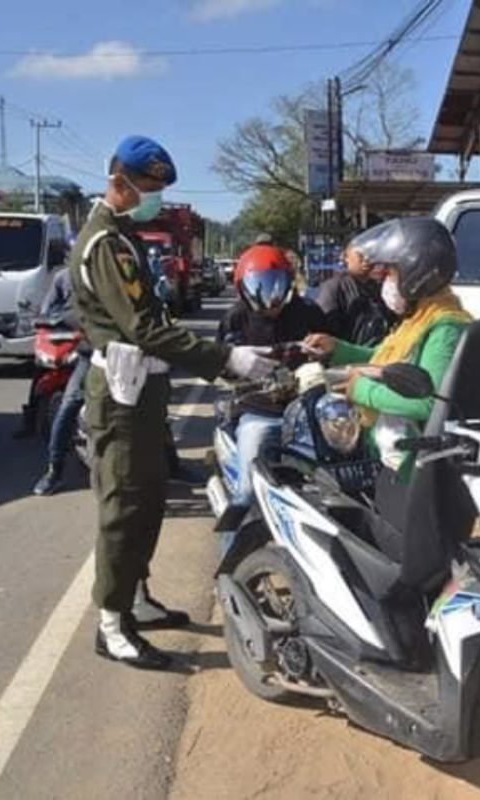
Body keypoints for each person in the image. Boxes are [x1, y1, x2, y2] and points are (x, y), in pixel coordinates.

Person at [70, 135, 276, 670]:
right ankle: (112, 624)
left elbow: (154, 320)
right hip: (120, 394)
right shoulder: (106, 245)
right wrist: (225, 359)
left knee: (148, 498)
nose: (154, 198)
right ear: (119, 183)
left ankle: (135, 597)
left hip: (141, 390)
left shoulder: (125, 237)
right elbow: (142, 328)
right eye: (149, 188)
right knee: (123, 508)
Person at [303, 217, 471, 476]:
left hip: (412, 463)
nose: (385, 282)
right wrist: (337, 348)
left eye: (391, 272)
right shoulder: (420, 316)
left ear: (417, 272)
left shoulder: (444, 326)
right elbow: (384, 359)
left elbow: (427, 401)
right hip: (391, 447)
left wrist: (361, 390)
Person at [217, 242, 326, 509]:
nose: (271, 298)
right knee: (246, 494)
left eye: (276, 285)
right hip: (259, 411)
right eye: (261, 287)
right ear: (244, 287)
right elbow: (222, 365)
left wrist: (320, 355)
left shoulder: (308, 311)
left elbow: (331, 349)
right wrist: (236, 366)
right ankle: (234, 539)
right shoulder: (236, 318)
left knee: (334, 478)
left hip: (307, 409)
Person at [31, 267, 90, 496]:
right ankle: (54, 471)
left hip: (118, 352)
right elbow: (51, 311)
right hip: (87, 349)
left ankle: (171, 463)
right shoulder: (65, 277)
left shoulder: (114, 271)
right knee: (68, 405)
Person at [315, 235, 395, 346]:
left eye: (370, 254)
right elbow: (325, 328)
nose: (366, 260)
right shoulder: (334, 287)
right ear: (346, 257)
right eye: (360, 255)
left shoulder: (380, 288)